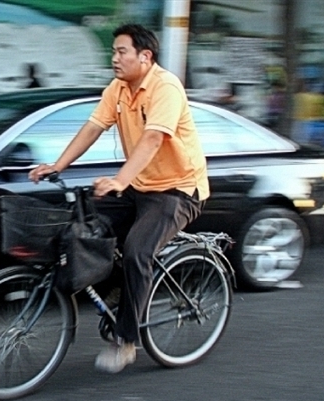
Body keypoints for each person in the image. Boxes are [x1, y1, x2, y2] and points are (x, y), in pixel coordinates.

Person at [28, 23, 209, 374]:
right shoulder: (118, 89)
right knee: (87, 224)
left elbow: (154, 139)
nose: (115, 58)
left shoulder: (165, 87)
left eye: (121, 51)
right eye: (113, 51)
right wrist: (57, 165)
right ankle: (117, 289)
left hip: (177, 190)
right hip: (140, 186)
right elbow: (94, 127)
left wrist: (119, 180)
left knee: (138, 251)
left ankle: (126, 341)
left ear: (145, 56)